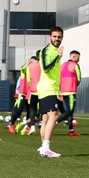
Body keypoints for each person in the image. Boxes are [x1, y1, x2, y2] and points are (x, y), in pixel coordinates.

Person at [36, 27, 64, 157]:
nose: (57, 39)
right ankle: (46, 147)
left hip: (50, 89)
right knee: (54, 116)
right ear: (50, 37)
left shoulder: (54, 50)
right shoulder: (46, 51)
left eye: (59, 37)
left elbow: (55, 74)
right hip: (47, 88)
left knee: (46, 118)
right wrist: (58, 57)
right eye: (55, 36)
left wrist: (58, 90)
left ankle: (43, 147)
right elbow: (47, 68)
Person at [58, 50, 81, 136]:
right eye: (78, 58)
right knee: (69, 111)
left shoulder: (62, 65)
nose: (79, 60)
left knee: (69, 111)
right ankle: (54, 123)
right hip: (71, 91)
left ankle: (71, 130)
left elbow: (58, 78)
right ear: (74, 57)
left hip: (63, 91)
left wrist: (59, 90)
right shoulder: (75, 65)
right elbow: (79, 78)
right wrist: (75, 84)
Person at [8, 63, 31, 134]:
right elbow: (22, 71)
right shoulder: (27, 67)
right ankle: (11, 124)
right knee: (18, 109)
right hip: (23, 92)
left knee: (31, 110)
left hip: (32, 92)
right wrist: (17, 92)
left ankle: (28, 127)